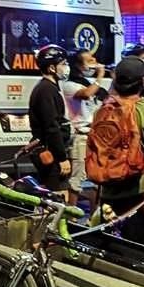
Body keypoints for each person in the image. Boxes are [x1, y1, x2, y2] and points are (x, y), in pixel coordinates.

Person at [90, 55, 144, 246]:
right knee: (138, 253)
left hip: (107, 195)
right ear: (142, 82)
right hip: (139, 197)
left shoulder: (102, 111)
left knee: (109, 250)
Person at [62, 49, 107, 208]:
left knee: (97, 176)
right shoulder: (69, 85)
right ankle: (71, 215)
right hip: (81, 136)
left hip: (95, 136)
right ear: (78, 65)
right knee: (77, 178)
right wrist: (100, 75)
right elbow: (87, 94)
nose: (94, 62)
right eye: (89, 61)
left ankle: (93, 215)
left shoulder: (88, 83)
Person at [28, 45, 72, 192]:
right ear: (52, 68)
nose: (67, 67)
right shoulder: (46, 90)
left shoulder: (50, 88)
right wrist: (62, 158)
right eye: (63, 64)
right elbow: (51, 126)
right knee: (57, 197)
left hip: (53, 151)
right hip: (51, 153)